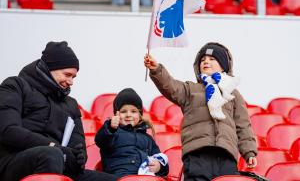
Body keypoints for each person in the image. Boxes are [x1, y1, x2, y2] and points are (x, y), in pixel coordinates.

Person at [0, 41, 117, 181]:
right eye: (67, 74)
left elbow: (77, 145)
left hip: (58, 162)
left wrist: (79, 157)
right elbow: (8, 130)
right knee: (51, 155)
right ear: (48, 68)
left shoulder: (71, 104)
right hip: (14, 162)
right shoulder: (15, 86)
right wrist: (52, 146)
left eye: (73, 77)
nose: (71, 81)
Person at [144, 42, 258, 180]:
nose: (206, 62)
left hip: (226, 155)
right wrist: (157, 70)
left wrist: (249, 152)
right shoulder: (190, 89)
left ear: (224, 66)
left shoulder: (233, 93)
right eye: (202, 60)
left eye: (212, 59)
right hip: (197, 155)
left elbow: (243, 126)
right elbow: (171, 86)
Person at [95, 88, 169, 178]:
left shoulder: (148, 138)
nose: (128, 115)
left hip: (144, 178)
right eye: (123, 111)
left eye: (133, 111)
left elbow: (159, 158)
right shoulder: (112, 133)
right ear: (116, 115)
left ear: (140, 114)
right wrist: (111, 127)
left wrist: (159, 167)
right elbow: (100, 140)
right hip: (120, 177)